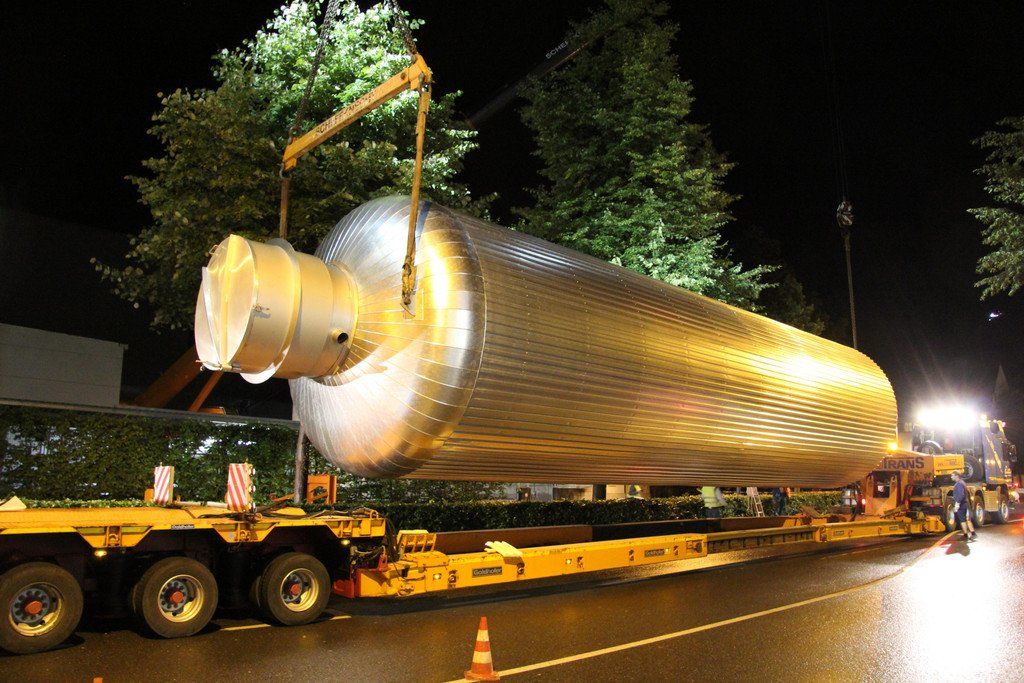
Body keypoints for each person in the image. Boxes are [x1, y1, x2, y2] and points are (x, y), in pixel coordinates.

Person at [951, 471, 977, 541]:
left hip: (961, 504)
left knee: (963, 520)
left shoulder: (959, 484)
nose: (951, 477)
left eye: (952, 475)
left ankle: (966, 535)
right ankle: (973, 533)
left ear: (957, 476)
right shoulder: (962, 482)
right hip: (964, 503)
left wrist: (957, 504)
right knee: (966, 519)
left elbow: (961, 495)